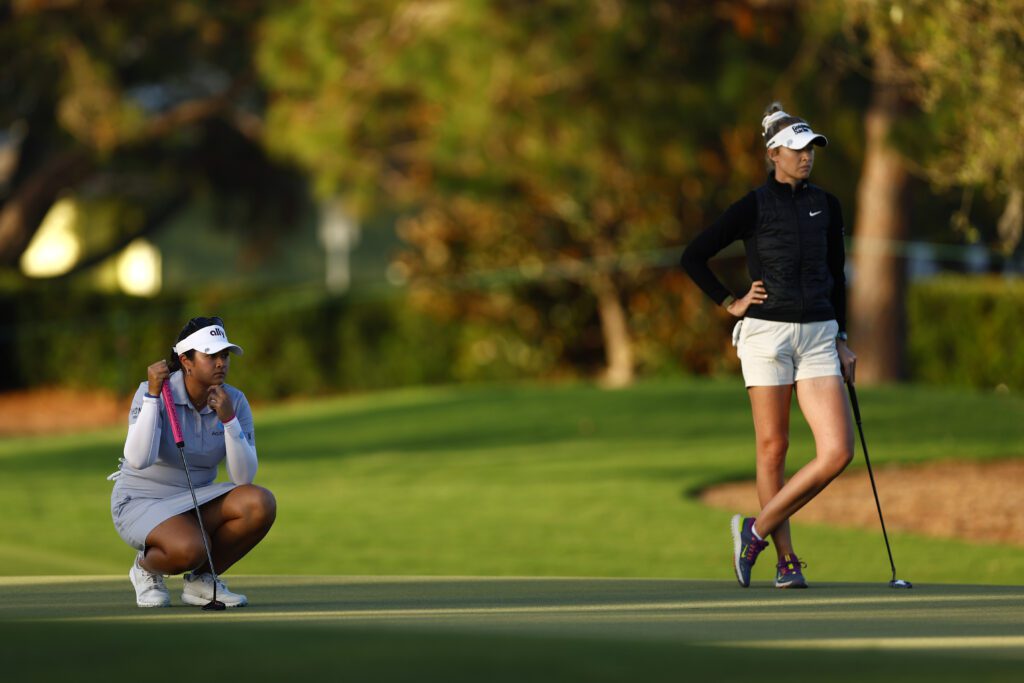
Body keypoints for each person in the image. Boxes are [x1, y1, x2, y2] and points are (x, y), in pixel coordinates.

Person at [680, 103, 856, 589]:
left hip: (820, 333)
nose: (806, 157)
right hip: (766, 335)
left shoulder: (828, 204)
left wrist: (842, 338)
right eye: (797, 149)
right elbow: (693, 256)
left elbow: (836, 275)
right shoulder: (753, 205)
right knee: (773, 447)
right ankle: (786, 561)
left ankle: (753, 531)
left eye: (811, 149)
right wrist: (729, 301)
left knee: (838, 451)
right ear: (773, 153)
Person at [108, 316, 276, 607]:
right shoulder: (153, 392)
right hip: (141, 501)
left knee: (260, 502)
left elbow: (243, 478)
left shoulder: (233, 401)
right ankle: (146, 568)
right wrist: (151, 397)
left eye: (224, 355)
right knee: (191, 548)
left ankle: (201, 580)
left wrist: (229, 422)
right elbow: (138, 458)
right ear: (186, 361)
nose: (221, 362)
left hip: (195, 499)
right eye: (211, 356)